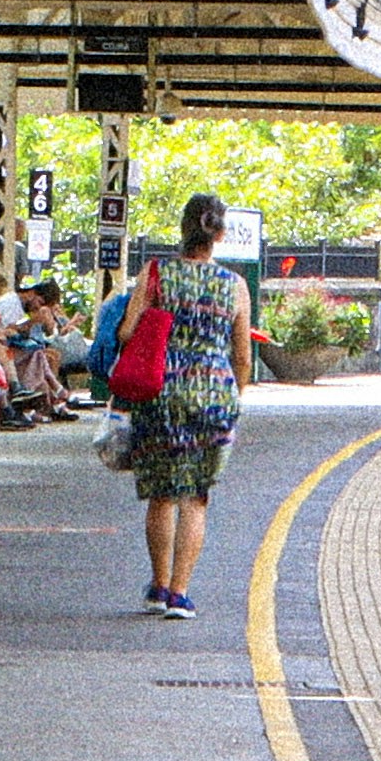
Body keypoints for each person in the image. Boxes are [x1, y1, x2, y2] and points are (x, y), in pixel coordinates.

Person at [103, 194, 261, 617]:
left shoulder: (155, 273)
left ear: (183, 229)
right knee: (196, 496)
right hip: (213, 395)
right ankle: (180, 592)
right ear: (220, 235)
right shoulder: (235, 286)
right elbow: (242, 355)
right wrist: (235, 396)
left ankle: (156, 585)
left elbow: (126, 332)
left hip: (161, 391)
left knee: (162, 494)